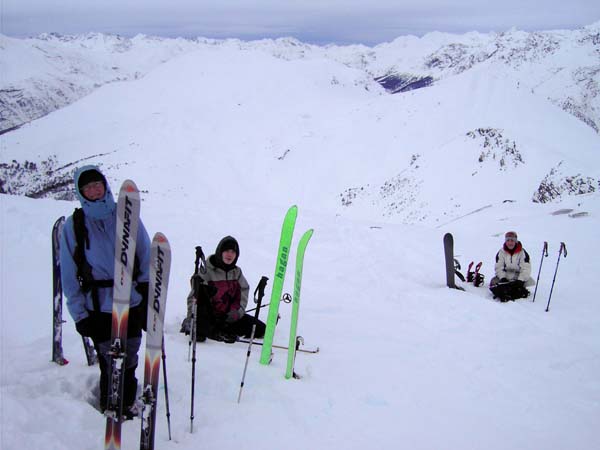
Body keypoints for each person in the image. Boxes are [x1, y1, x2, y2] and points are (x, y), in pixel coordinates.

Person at [60, 165, 151, 417]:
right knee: (109, 360)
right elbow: (68, 275)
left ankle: (127, 403)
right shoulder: (74, 225)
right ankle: (109, 404)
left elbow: (144, 255)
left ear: (105, 185)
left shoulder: (127, 216)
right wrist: (79, 315)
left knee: (129, 357)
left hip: (130, 301)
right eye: (87, 187)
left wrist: (145, 295)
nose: (93, 190)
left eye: (97, 184)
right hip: (97, 305)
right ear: (81, 192)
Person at [180, 236, 266, 343]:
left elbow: (243, 291)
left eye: (233, 252)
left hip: (226, 317)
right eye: (226, 251)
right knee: (201, 291)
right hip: (209, 316)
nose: (230, 254)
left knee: (260, 329)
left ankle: (218, 331)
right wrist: (191, 317)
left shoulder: (237, 272)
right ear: (220, 251)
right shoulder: (206, 270)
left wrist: (237, 313)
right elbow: (194, 296)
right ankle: (196, 326)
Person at [489, 231, 534, 301]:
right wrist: (502, 277)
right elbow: (498, 267)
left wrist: (520, 280)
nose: (510, 243)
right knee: (493, 282)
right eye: (508, 240)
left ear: (516, 241)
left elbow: (526, 268)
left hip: (518, 276)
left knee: (526, 282)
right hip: (506, 276)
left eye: (512, 240)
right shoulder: (501, 252)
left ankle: (513, 290)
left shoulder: (523, 253)